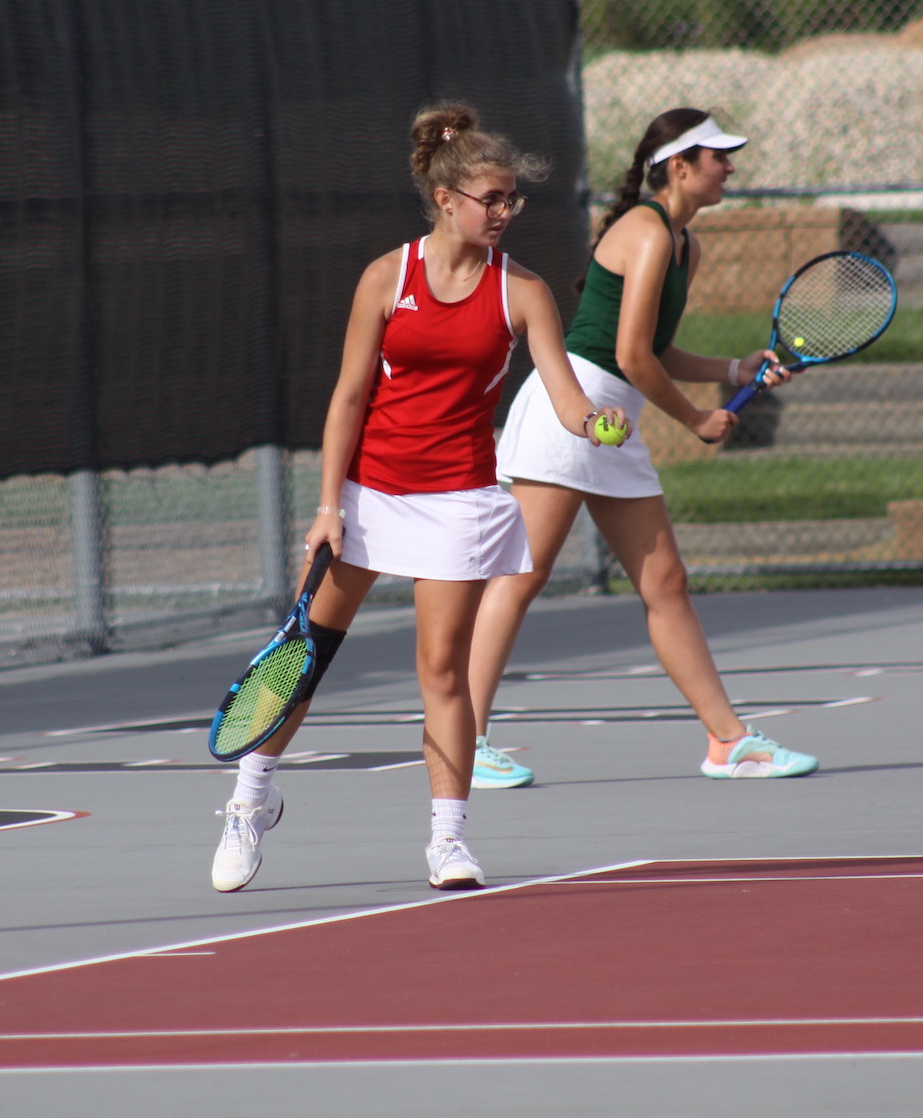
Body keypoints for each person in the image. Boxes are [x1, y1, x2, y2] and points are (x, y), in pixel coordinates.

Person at [211, 103, 629, 894]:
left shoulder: (525, 292)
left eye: (513, 199)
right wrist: (329, 504)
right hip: (369, 496)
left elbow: (567, 395)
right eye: (491, 199)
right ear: (446, 198)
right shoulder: (385, 276)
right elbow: (346, 398)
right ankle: (247, 803)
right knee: (300, 662)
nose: (504, 212)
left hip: (460, 502)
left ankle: (448, 840)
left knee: (443, 672)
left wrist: (595, 421)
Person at [466, 108, 819, 789]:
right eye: (720, 156)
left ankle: (728, 742)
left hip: (613, 421)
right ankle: (465, 741)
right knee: (521, 576)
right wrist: (694, 419)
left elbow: (652, 350)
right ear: (680, 166)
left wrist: (734, 370)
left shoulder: (685, 244)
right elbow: (628, 352)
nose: (731, 166)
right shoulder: (649, 234)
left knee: (666, 585)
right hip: (570, 411)